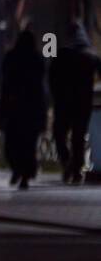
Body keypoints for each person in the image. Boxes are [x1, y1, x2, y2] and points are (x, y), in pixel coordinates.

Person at [0, 29, 48, 189]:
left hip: (15, 109)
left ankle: (19, 170)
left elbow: (6, 85)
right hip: (31, 110)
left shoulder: (11, 58)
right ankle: (24, 173)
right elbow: (39, 88)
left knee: (13, 144)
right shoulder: (37, 60)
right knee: (28, 145)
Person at [48, 20, 101, 184]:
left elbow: (51, 78)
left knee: (59, 134)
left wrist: (55, 95)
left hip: (63, 103)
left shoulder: (60, 55)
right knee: (78, 137)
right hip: (83, 104)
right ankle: (76, 169)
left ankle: (67, 162)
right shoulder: (90, 56)